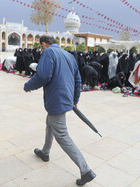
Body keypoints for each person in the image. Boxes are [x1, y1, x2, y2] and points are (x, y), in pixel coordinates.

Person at [24, 35, 95, 186]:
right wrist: (75, 100)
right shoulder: (69, 55)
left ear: (44, 44)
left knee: (62, 135)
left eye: (40, 46)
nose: (41, 49)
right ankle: (45, 152)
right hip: (64, 98)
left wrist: (27, 86)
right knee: (50, 123)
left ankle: (85, 170)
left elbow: (43, 75)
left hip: (57, 99)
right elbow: (78, 80)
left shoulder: (48, 53)